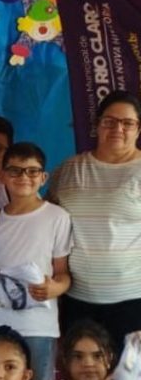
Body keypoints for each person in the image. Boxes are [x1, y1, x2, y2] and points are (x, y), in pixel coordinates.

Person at [0, 142, 73, 380]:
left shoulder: (57, 217)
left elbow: (63, 273)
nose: (24, 177)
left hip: (36, 323)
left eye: (32, 171)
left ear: (43, 178)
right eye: (15, 171)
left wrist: (55, 288)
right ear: (3, 176)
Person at [48, 91, 141, 350]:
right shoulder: (68, 170)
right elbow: (47, 224)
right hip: (78, 300)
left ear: (138, 129)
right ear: (97, 125)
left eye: (127, 123)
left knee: (129, 375)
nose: (118, 129)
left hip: (133, 300)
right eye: (109, 121)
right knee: (81, 374)